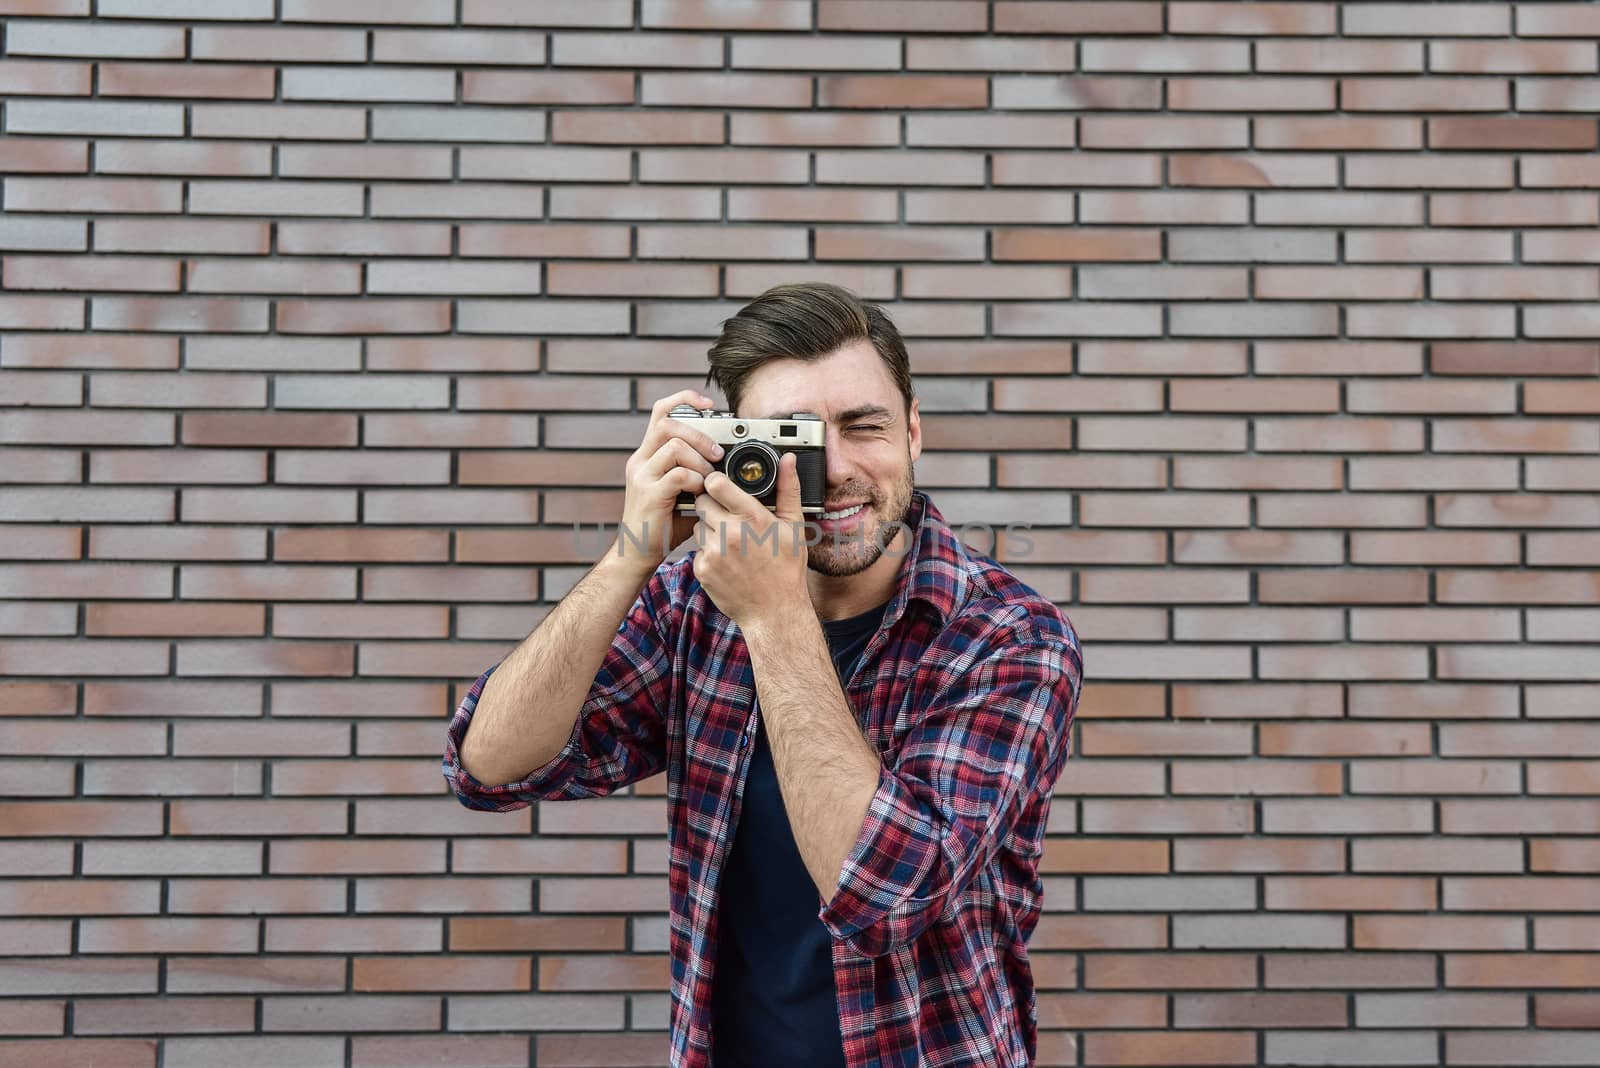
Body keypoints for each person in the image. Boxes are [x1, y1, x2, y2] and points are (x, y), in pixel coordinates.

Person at [442, 283, 1084, 1068]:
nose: (837, 470)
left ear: (914, 430)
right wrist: (631, 555)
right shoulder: (690, 607)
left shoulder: (1008, 636)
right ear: (736, 445)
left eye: (865, 427)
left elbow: (886, 896)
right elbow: (489, 767)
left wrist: (775, 617)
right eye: (797, 439)